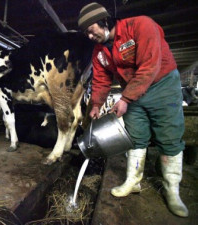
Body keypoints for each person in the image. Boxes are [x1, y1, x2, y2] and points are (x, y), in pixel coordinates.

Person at [77, 2, 188, 217]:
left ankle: (172, 190)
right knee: (135, 137)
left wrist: (126, 98)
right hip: (132, 92)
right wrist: (97, 105)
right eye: (86, 34)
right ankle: (133, 181)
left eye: (92, 31)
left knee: (169, 136)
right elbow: (100, 80)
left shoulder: (140, 26)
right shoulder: (99, 52)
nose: (90, 36)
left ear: (104, 21)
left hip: (161, 85)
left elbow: (150, 64)